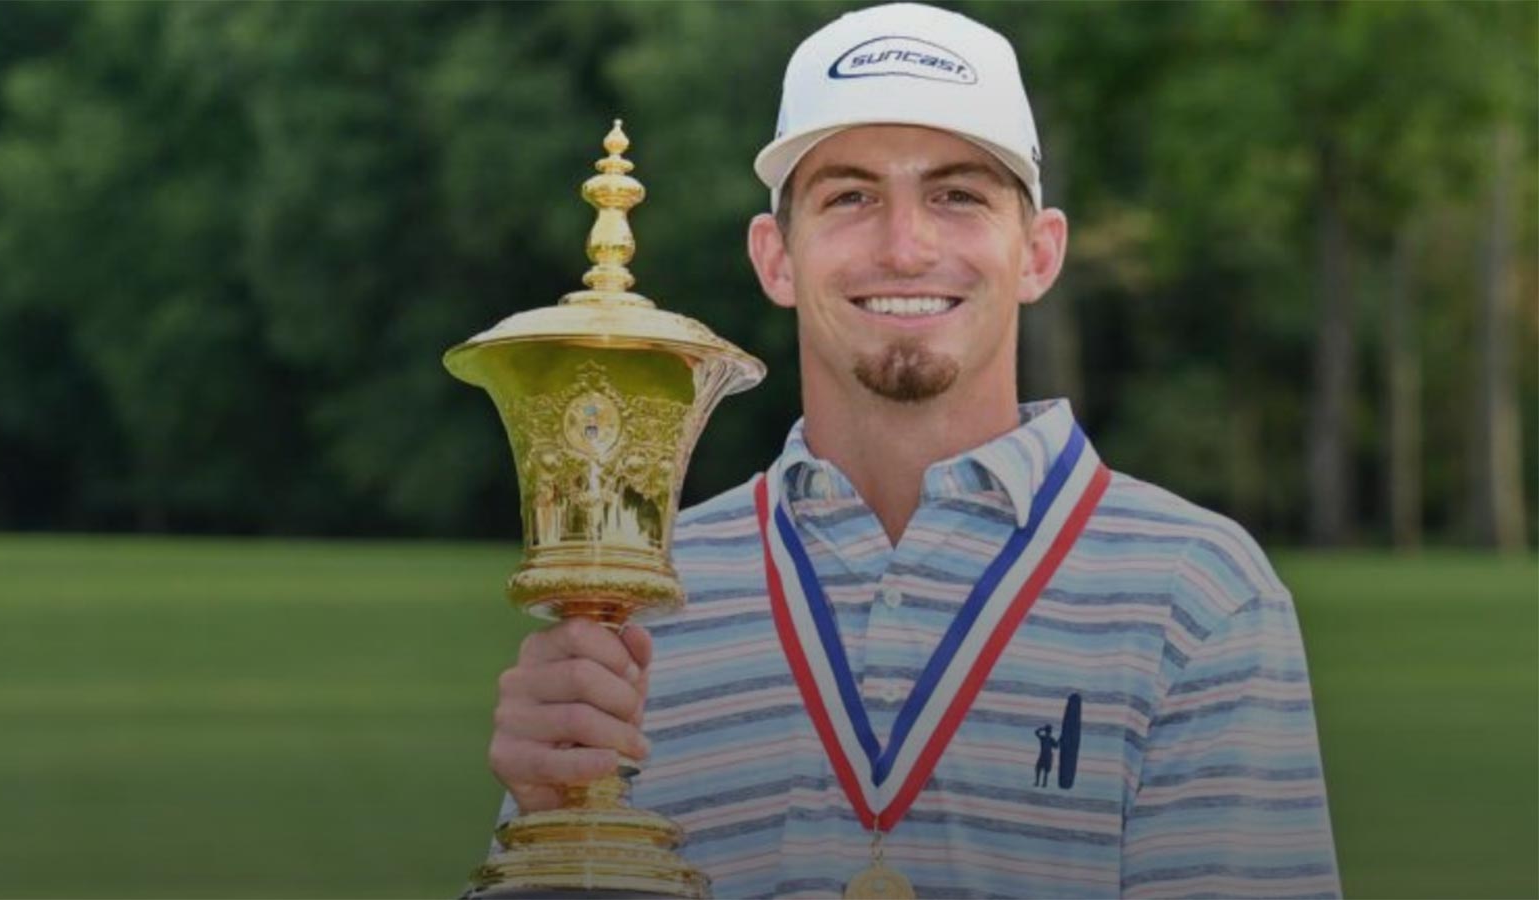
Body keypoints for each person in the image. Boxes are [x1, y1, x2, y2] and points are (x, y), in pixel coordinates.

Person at [479, 4, 1341, 897]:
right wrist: (545, 829)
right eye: (850, 196)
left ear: (1039, 254)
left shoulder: (1197, 595)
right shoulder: (641, 597)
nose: (904, 246)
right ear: (776, 257)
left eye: (957, 195)